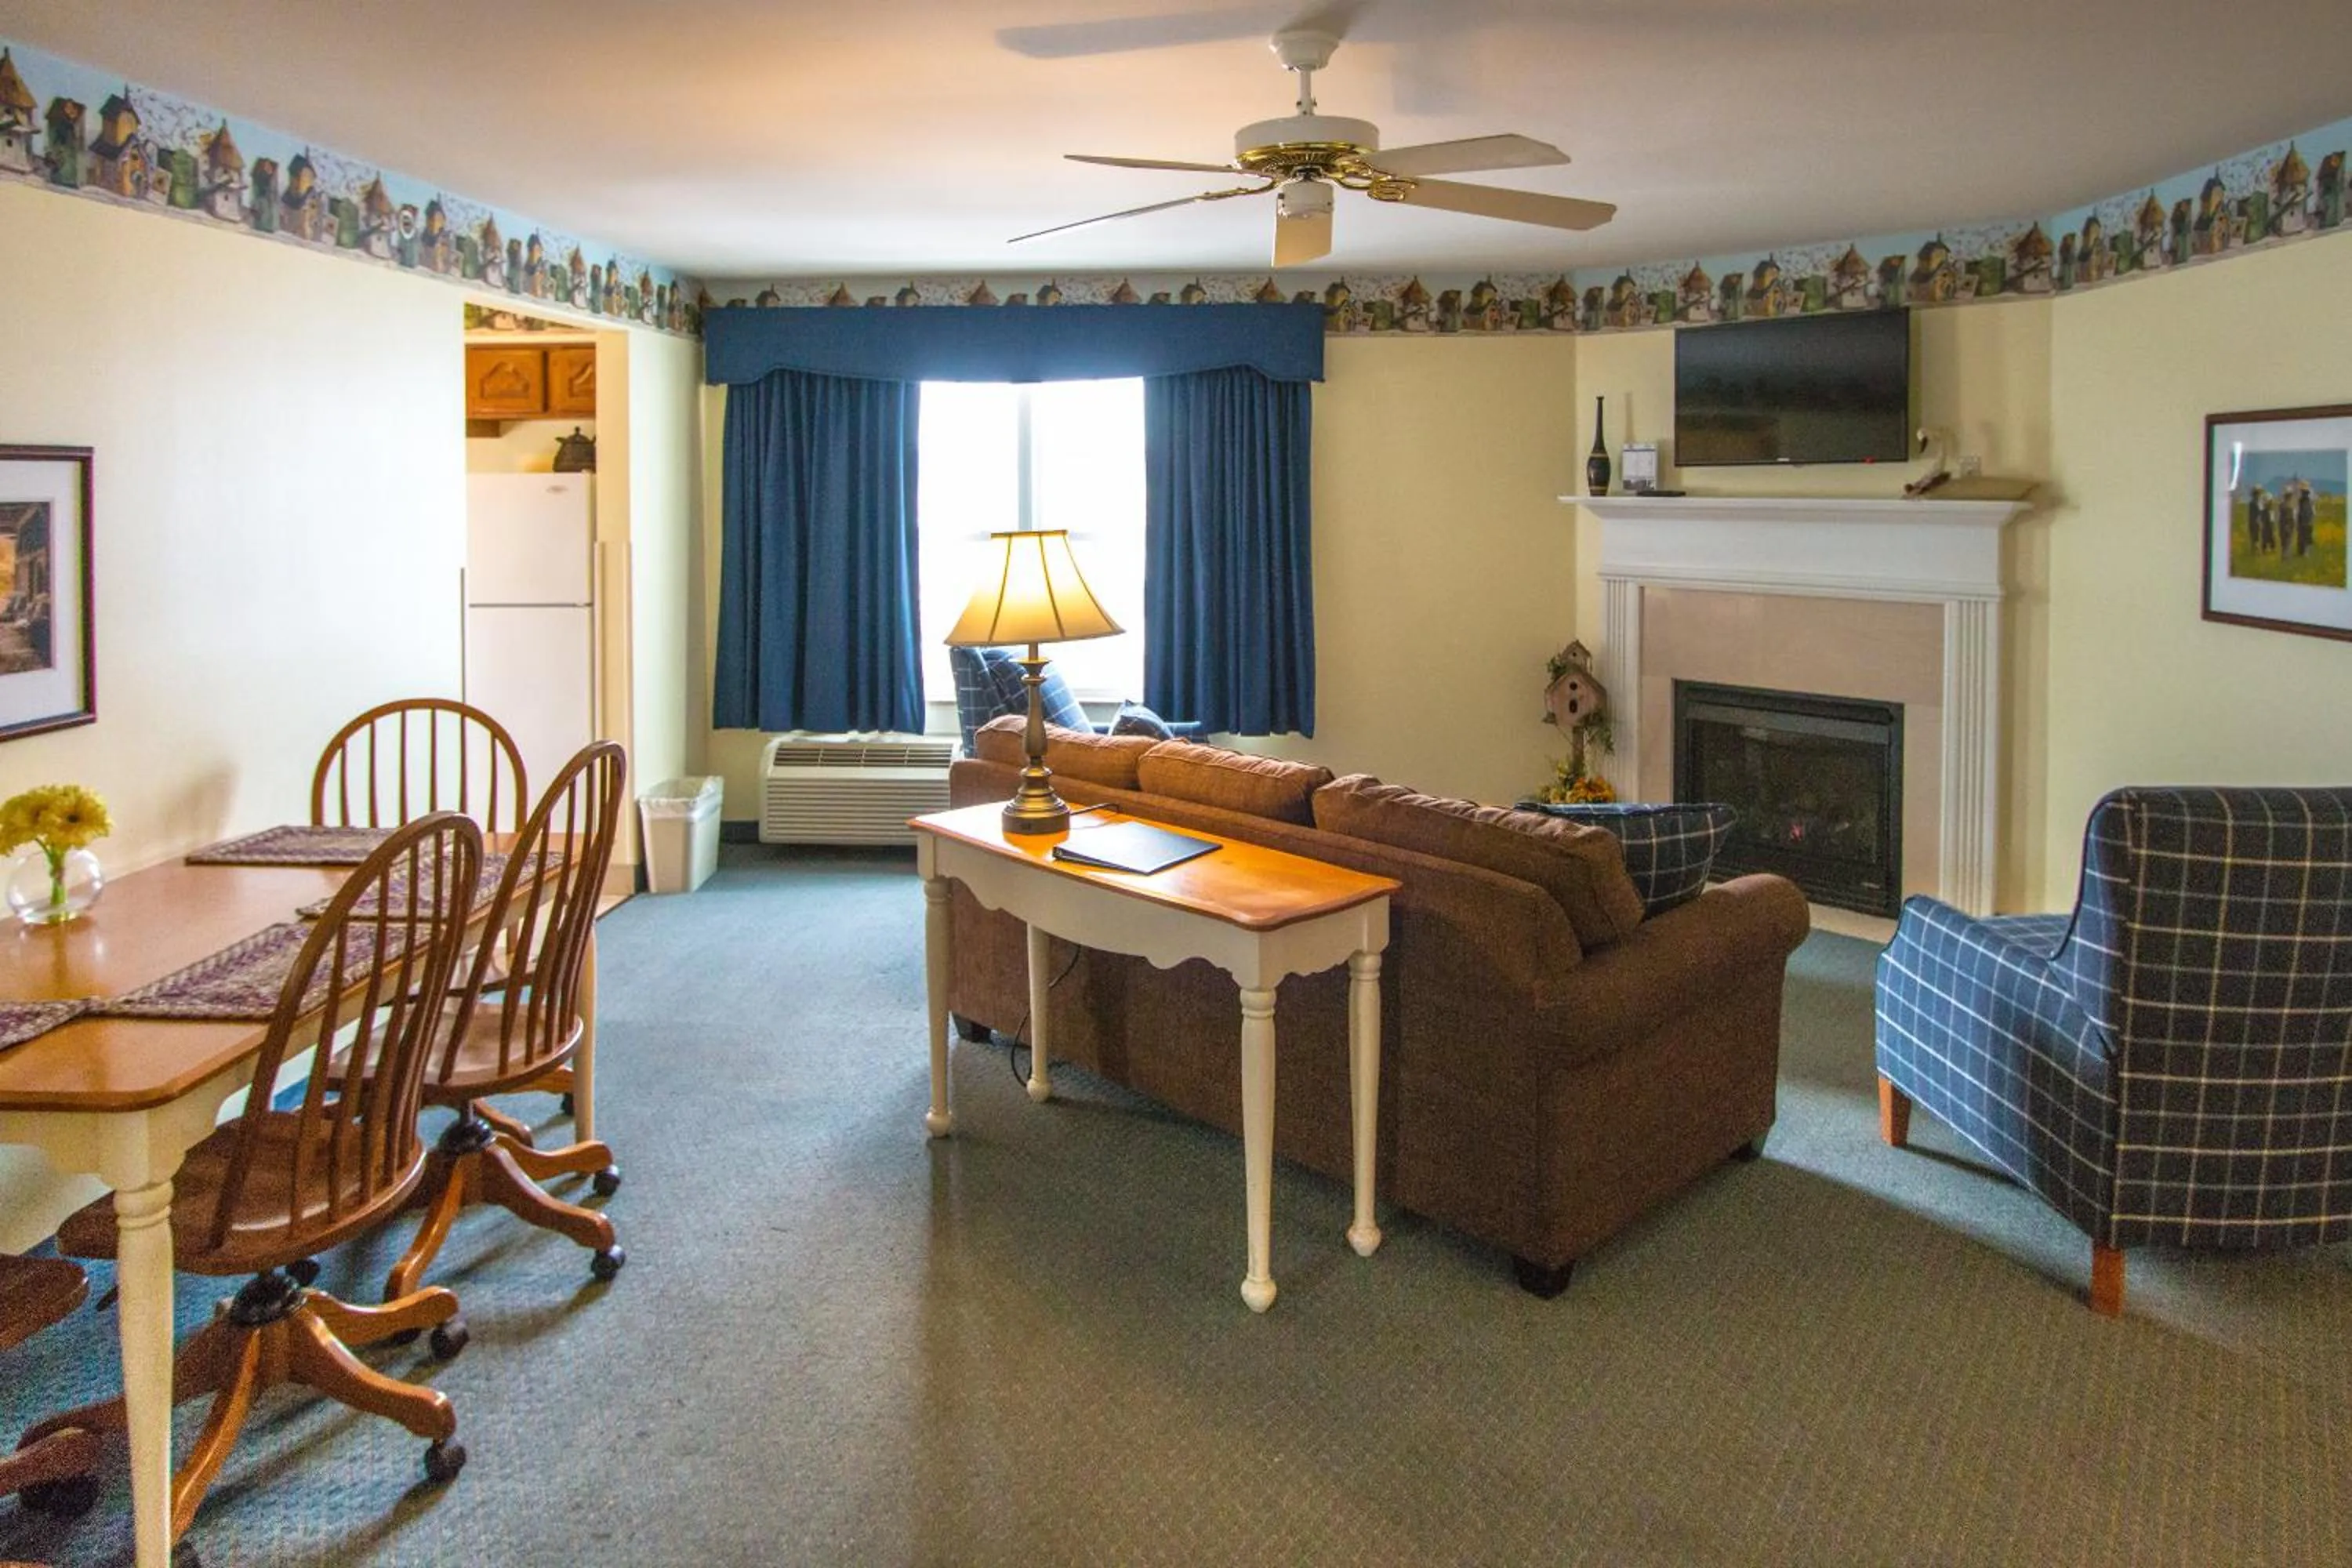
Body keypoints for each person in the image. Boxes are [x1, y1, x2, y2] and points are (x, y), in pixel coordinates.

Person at [2297, 481, 2318, 558]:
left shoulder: (2305, 500)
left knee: (2305, 536)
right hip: (2307, 519)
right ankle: (2304, 552)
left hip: (2306, 519)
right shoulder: (2305, 499)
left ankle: (2305, 552)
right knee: (2306, 536)